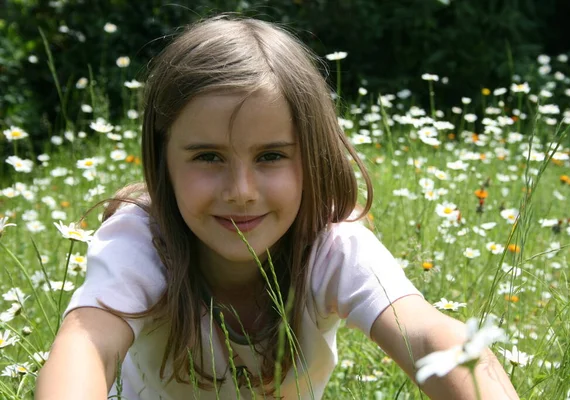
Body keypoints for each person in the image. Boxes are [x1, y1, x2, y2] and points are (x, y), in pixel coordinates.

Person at [35, 15, 518, 400]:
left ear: (313, 156)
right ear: (162, 162)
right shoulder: (141, 241)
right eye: (208, 156)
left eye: (271, 156)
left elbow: (430, 334)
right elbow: (86, 346)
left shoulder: (332, 247)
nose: (241, 190)